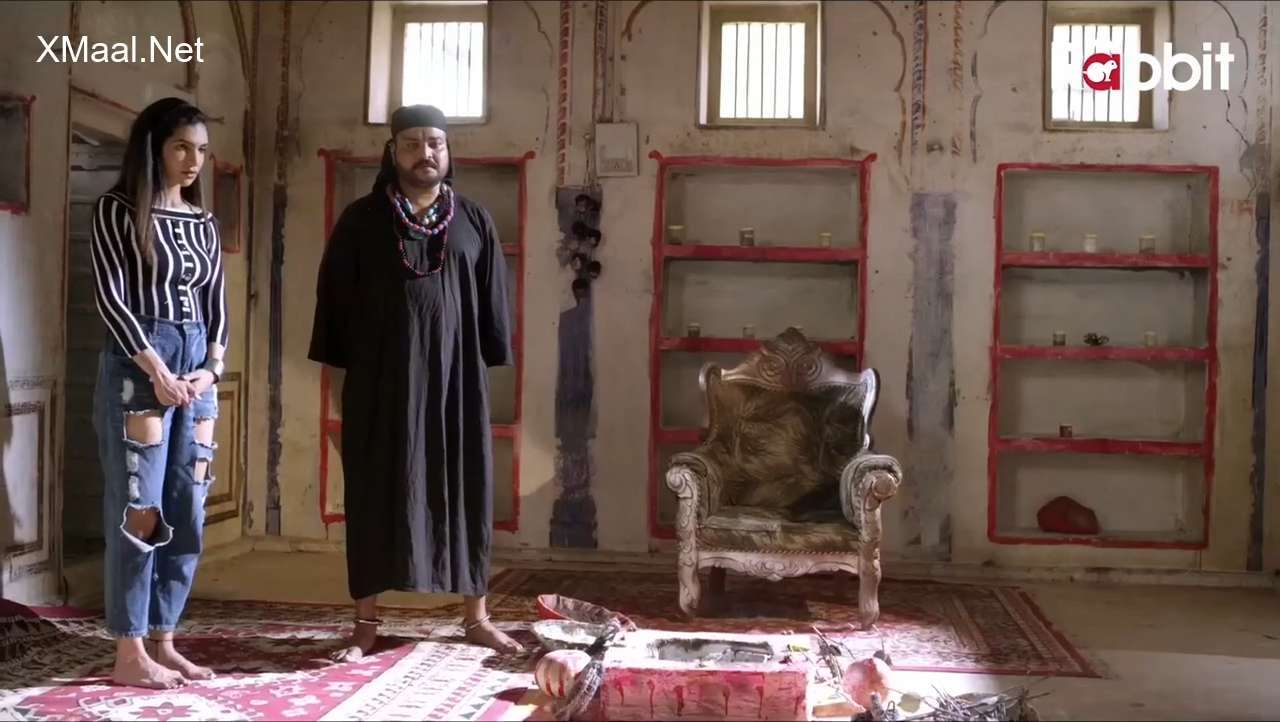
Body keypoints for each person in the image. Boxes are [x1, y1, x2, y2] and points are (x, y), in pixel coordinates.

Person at [308, 104, 520, 659]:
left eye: (435, 144)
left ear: (447, 151)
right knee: (375, 491)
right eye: (412, 144)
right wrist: (342, 378)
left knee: (466, 489)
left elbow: (493, 302)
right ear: (392, 151)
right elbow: (334, 301)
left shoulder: (474, 220)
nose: (425, 154)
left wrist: (486, 358)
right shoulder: (361, 220)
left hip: (456, 383)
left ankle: (476, 617)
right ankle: (365, 624)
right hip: (382, 383)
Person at [90, 97, 227, 688]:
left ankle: (164, 640)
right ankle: (129, 650)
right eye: (181, 147)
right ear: (154, 148)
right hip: (139, 367)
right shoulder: (117, 210)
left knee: (187, 508)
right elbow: (110, 298)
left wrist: (211, 371)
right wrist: (156, 370)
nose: (193, 161)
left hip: (196, 371)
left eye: (202, 150)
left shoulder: (204, 222)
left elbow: (217, 306)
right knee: (139, 511)